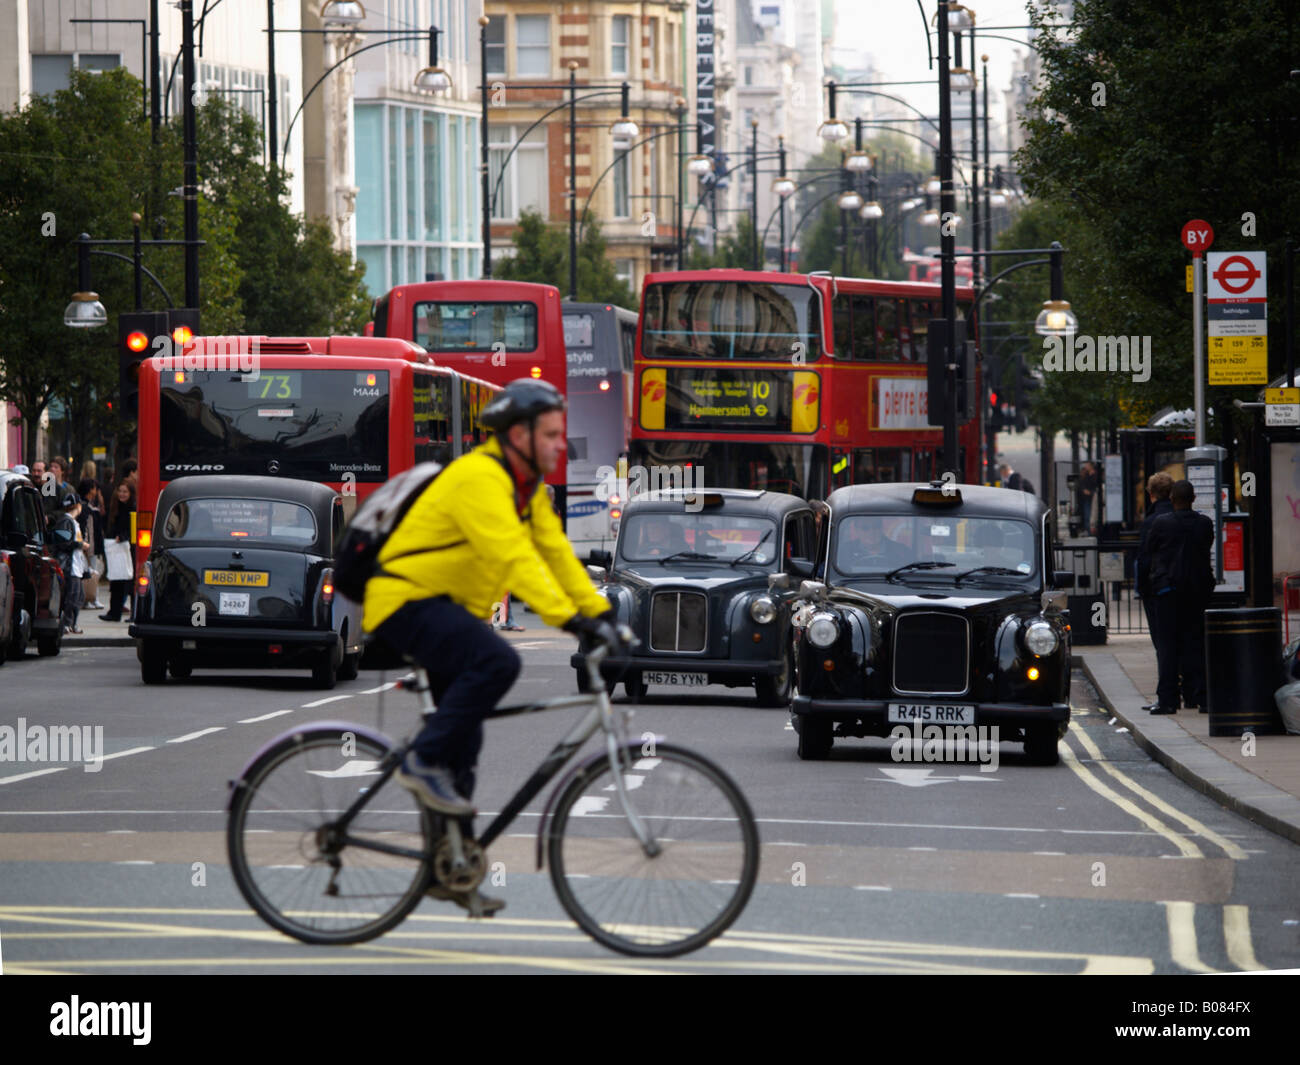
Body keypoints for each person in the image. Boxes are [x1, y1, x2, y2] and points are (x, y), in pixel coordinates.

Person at [362, 379, 619, 916]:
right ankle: (420, 760)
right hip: (406, 601)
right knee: (499, 660)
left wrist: (601, 615)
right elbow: (512, 558)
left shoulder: (526, 489)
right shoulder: (481, 477)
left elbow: (553, 552)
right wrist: (569, 620)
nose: (559, 446)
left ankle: (451, 867)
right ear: (518, 435)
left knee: (466, 751)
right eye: (550, 435)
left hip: (447, 609)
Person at [1145, 479, 1216, 714]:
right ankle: (1202, 696)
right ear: (1193, 499)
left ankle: (1168, 700)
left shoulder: (1161, 524)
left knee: (1168, 646)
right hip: (1198, 592)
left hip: (1168, 592)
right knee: (1197, 644)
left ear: (1172, 499)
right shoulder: (1204, 524)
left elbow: (1149, 551)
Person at [1134, 472, 1175, 710]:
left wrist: (1142, 588)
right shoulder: (1182, 516)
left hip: (1157, 589)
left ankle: (1167, 695)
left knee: (1163, 643)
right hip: (1183, 588)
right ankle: (1193, 693)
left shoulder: (1151, 522)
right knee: (1185, 641)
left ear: (1150, 494)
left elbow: (1144, 558)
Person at [50, 493, 89, 634]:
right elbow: (64, 543)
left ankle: (71, 623)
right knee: (72, 596)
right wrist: (81, 544)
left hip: (75, 566)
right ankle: (67, 623)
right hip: (69, 566)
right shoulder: (65, 522)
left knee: (78, 596)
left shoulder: (71, 522)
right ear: (78, 506)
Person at [100, 479, 135, 622]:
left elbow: (132, 528)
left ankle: (129, 613)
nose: (122, 494)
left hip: (128, 549)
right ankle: (114, 612)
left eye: (125, 491)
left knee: (129, 583)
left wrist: (123, 536)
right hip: (117, 547)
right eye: (120, 491)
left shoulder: (132, 508)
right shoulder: (115, 507)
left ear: (131, 493)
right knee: (116, 581)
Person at [1077, 461, 1099, 534]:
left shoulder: (1095, 475)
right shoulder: (1085, 475)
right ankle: (1088, 530)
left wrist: (1091, 492)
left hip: (1092, 497)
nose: (1086, 466)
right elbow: (1081, 484)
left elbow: (1096, 485)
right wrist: (1084, 490)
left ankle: (1091, 530)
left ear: (1091, 466)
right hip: (1085, 498)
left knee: (1092, 514)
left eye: (1087, 465)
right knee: (1087, 514)